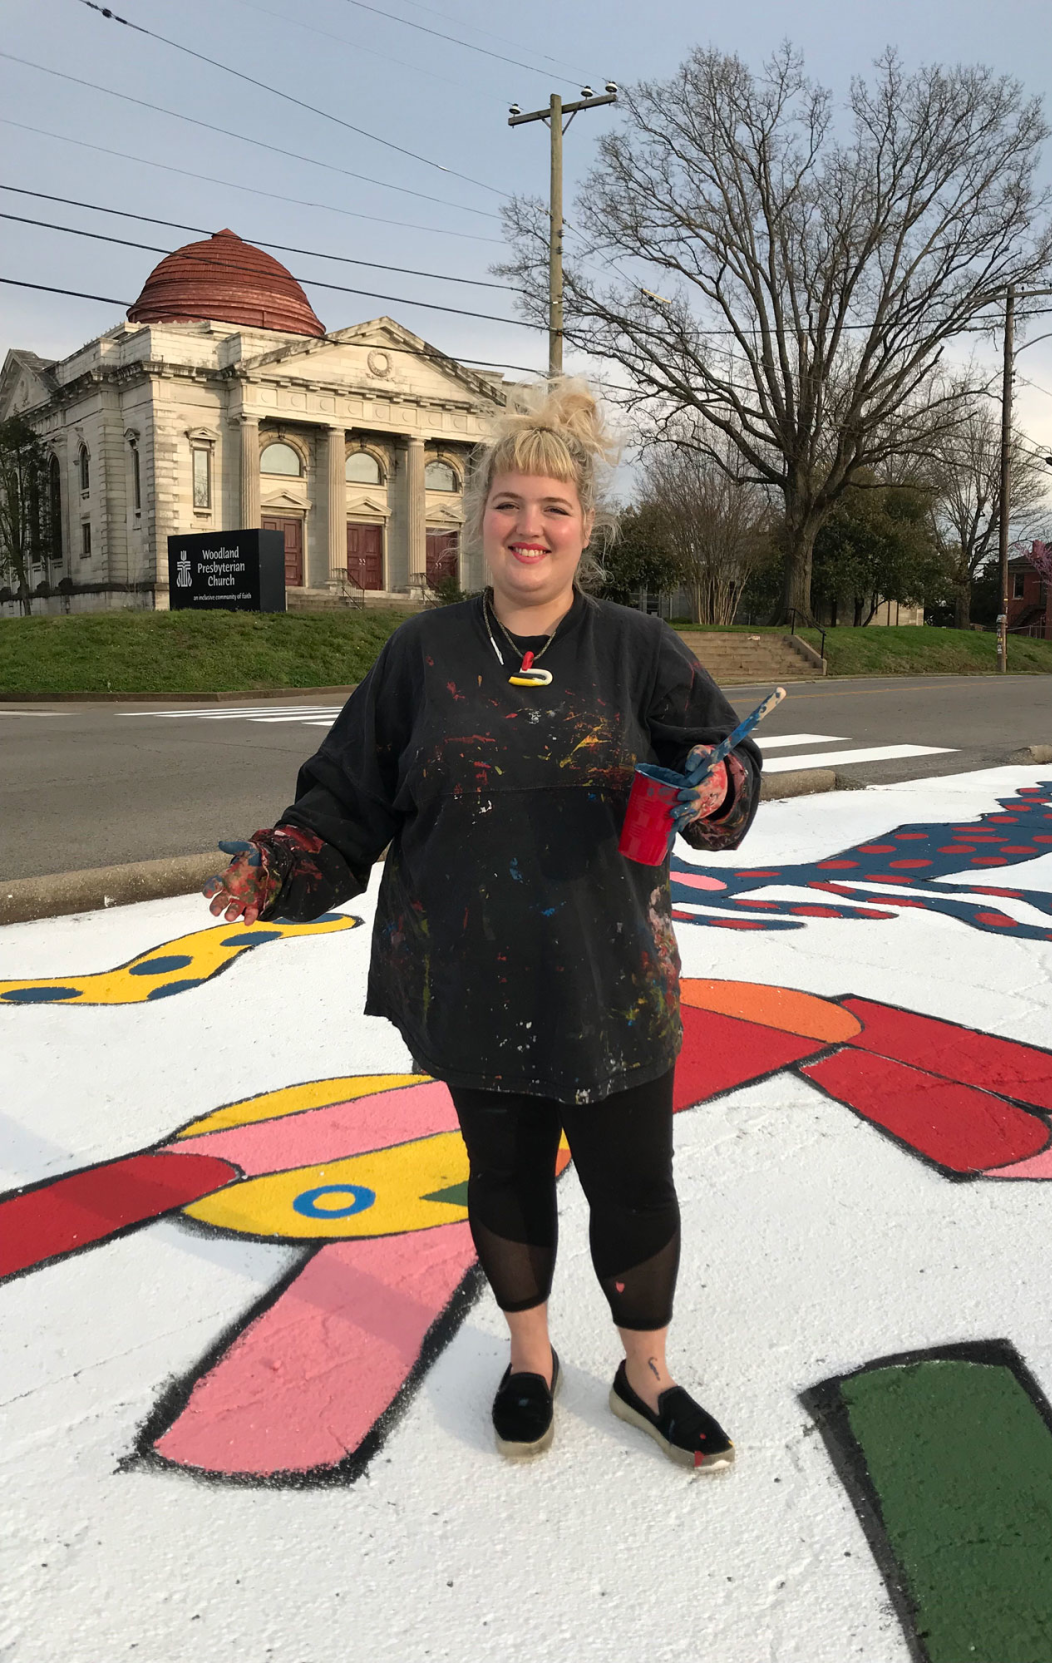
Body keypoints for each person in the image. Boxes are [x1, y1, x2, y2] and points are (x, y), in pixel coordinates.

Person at [204, 380, 761, 1471]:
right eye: (507, 504)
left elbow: (725, 762)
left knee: (632, 1184)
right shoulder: (420, 655)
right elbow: (346, 800)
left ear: (583, 528)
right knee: (502, 1178)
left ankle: (644, 1372)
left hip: (612, 975)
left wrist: (715, 786)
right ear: (479, 521)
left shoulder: (636, 647)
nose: (528, 527)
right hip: (471, 973)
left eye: (551, 507)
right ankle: (529, 1356)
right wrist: (281, 864)